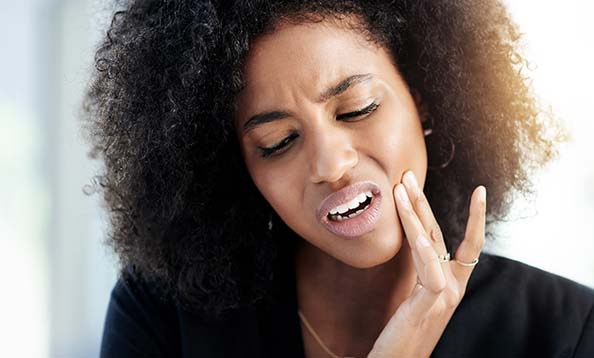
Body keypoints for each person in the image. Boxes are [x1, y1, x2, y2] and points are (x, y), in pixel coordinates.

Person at [83, 0, 594, 357]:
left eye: (356, 108)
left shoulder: (566, 331)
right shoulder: (163, 318)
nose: (329, 164)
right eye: (278, 142)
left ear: (423, 95)